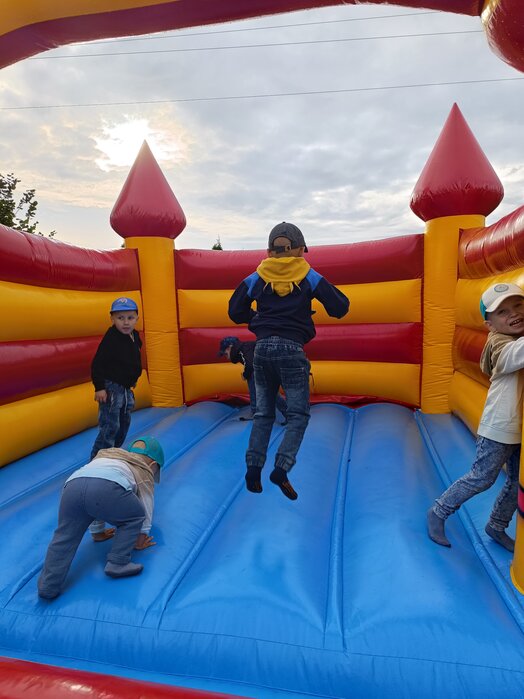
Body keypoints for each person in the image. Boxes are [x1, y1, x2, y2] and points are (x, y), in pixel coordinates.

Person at [228, 222, 349, 500]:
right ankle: (281, 468)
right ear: (298, 250)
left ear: (270, 251)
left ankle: (253, 467)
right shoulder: (308, 275)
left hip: (261, 349)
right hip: (292, 349)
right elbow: (340, 307)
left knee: (263, 413)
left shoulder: (257, 277)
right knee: (298, 415)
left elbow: (235, 311)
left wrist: (257, 319)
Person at [427, 282, 524, 551]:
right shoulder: (499, 344)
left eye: (518, 305)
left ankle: (497, 525)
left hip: (519, 427)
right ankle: (439, 511)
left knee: (516, 482)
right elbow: (516, 355)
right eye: (503, 312)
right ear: (490, 325)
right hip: (499, 427)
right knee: (482, 477)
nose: (514, 314)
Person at [38, 436, 164, 599]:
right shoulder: (144, 470)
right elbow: (146, 506)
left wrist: (98, 531)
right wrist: (140, 538)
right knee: (134, 516)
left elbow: (94, 492)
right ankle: (118, 562)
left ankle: (48, 585)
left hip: (72, 486)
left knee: (64, 537)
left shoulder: (109, 456)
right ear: (152, 465)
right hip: (107, 488)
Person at [90, 297, 142, 460]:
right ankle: (98, 460)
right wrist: (99, 387)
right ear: (112, 319)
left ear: (137, 318)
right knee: (110, 425)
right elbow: (97, 363)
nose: (126, 322)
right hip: (111, 388)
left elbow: (133, 358)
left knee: (123, 424)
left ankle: (112, 455)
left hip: (126, 388)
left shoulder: (135, 335)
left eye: (130, 318)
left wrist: (132, 378)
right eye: (120, 318)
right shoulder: (111, 338)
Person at [218, 336, 288, 422]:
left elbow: (250, 365)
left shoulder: (242, 349)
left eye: (225, 354)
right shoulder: (246, 347)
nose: (226, 357)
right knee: (271, 392)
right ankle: (288, 413)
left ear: (230, 347)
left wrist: (245, 375)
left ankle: (255, 411)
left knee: (252, 377)